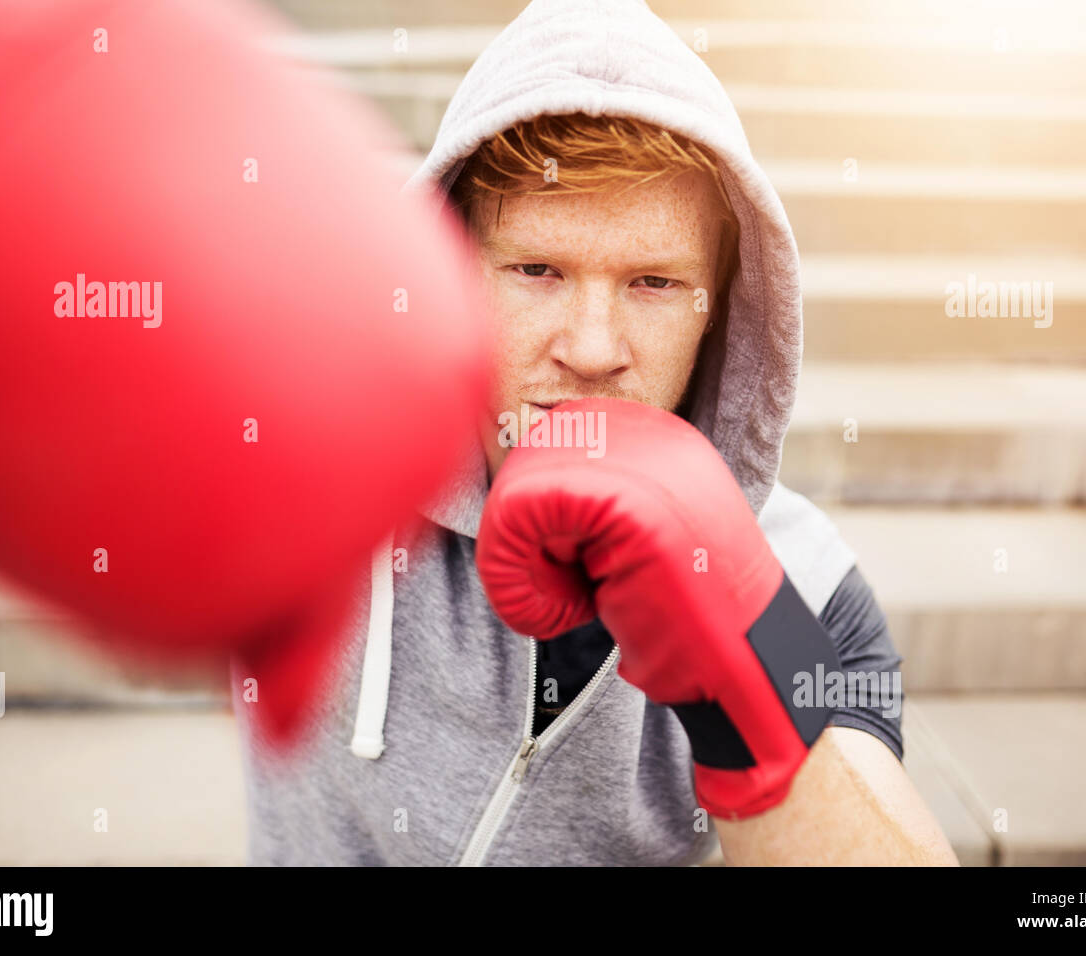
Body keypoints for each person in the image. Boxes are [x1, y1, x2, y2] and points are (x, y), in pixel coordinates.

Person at [230, 0, 958, 866]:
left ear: (717, 313)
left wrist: (743, 647)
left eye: (653, 283)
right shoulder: (321, 481)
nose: (592, 350)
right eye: (537, 270)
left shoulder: (806, 579)